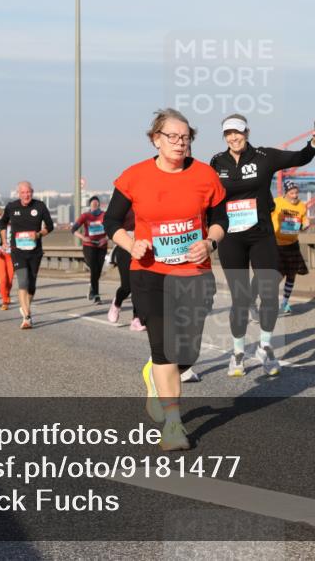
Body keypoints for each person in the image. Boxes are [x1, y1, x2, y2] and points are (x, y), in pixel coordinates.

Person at [104, 108, 227, 451]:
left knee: (187, 351)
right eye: (172, 136)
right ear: (156, 140)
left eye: (186, 137)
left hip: (194, 274)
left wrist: (210, 242)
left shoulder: (205, 176)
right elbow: (111, 221)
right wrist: (131, 243)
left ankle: (154, 372)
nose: (180, 142)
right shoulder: (134, 176)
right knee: (165, 348)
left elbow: (221, 220)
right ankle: (173, 425)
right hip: (149, 273)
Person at [210, 113, 315, 378]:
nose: (233, 137)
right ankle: (237, 353)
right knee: (240, 299)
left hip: (261, 234)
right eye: (228, 133)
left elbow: (300, 157)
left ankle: (264, 347)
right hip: (232, 237)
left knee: (268, 292)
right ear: (224, 136)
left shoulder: (265, 157)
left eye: (237, 132)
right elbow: (210, 197)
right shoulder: (217, 162)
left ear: (247, 132)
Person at [0, 181, 54, 329]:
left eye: (28, 192)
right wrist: (4, 241)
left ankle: (25, 307)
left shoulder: (40, 206)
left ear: (32, 192)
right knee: (23, 281)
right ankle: (27, 317)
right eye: (23, 192)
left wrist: (39, 234)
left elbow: (50, 226)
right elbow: (2, 224)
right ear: (19, 194)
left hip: (35, 252)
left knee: (32, 286)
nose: (26, 195)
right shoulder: (11, 207)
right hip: (18, 251)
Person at [271, 179, 310, 314]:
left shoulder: (302, 206)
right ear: (286, 193)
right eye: (292, 193)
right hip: (276, 245)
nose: (295, 196)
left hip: (292, 244)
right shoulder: (276, 203)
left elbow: (303, 222)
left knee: (291, 275)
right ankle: (271, 301)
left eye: (296, 193)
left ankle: (285, 303)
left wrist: (306, 225)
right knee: (277, 276)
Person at [107, 208, 145, 331]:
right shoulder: (123, 205)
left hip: (143, 246)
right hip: (125, 247)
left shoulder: (146, 203)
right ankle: (116, 303)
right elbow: (111, 223)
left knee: (138, 285)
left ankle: (136, 319)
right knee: (127, 286)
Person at [71, 196, 108, 304]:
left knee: (98, 270)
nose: (95, 205)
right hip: (89, 245)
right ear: (90, 205)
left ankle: (92, 287)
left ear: (99, 205)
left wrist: (105, 239)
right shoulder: (85, 216)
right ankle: (96, 295)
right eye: (93, 204)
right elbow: (73, 229)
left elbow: (112, 229)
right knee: (94, 269)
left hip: (101, 246)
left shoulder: (104, 215)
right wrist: (83, 237)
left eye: (97, 204)